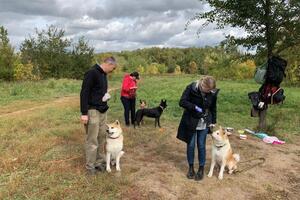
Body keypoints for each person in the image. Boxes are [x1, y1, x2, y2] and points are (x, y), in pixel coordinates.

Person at [177, 76, 219, 181]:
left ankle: (201, 168)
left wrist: (213, 121)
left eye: (211, 90)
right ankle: (191, 168)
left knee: (201, 145)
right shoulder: (191, 88)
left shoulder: (212, 93)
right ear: (202, 84)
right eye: (207, 90)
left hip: (204, 122)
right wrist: (194, 107)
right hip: (191, 121)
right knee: (191, 145)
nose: (209, 92)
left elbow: (213, 107)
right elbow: (182, 101)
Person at [80, 56, 117, 175]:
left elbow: (98, 91)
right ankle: (90, 166)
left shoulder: (104, 75)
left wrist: (105, 95)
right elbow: (84, 92)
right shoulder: (92, 73)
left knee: (101, 137)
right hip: (93, 111)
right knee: (92, 139)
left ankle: (99, 162)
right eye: (113, 68)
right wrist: (84, 113)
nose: (113, 70)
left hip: (102, 110)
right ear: (108, 64)